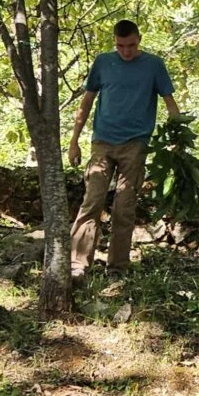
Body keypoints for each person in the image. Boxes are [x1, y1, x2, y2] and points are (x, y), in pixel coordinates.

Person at [68, 20, 181, 283]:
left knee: (124, 207)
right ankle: (77, 265)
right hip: (102, 142)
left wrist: (178, 138)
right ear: (114, 42)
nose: (126, 51)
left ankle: (117, 269)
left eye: (131, 45)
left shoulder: (153, 65)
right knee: (92, 202)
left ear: (139, 39)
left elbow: (170, 102)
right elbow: (87, 101)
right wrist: (74, 141)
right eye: (120, 46)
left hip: (135, 143)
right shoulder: (103, 62)